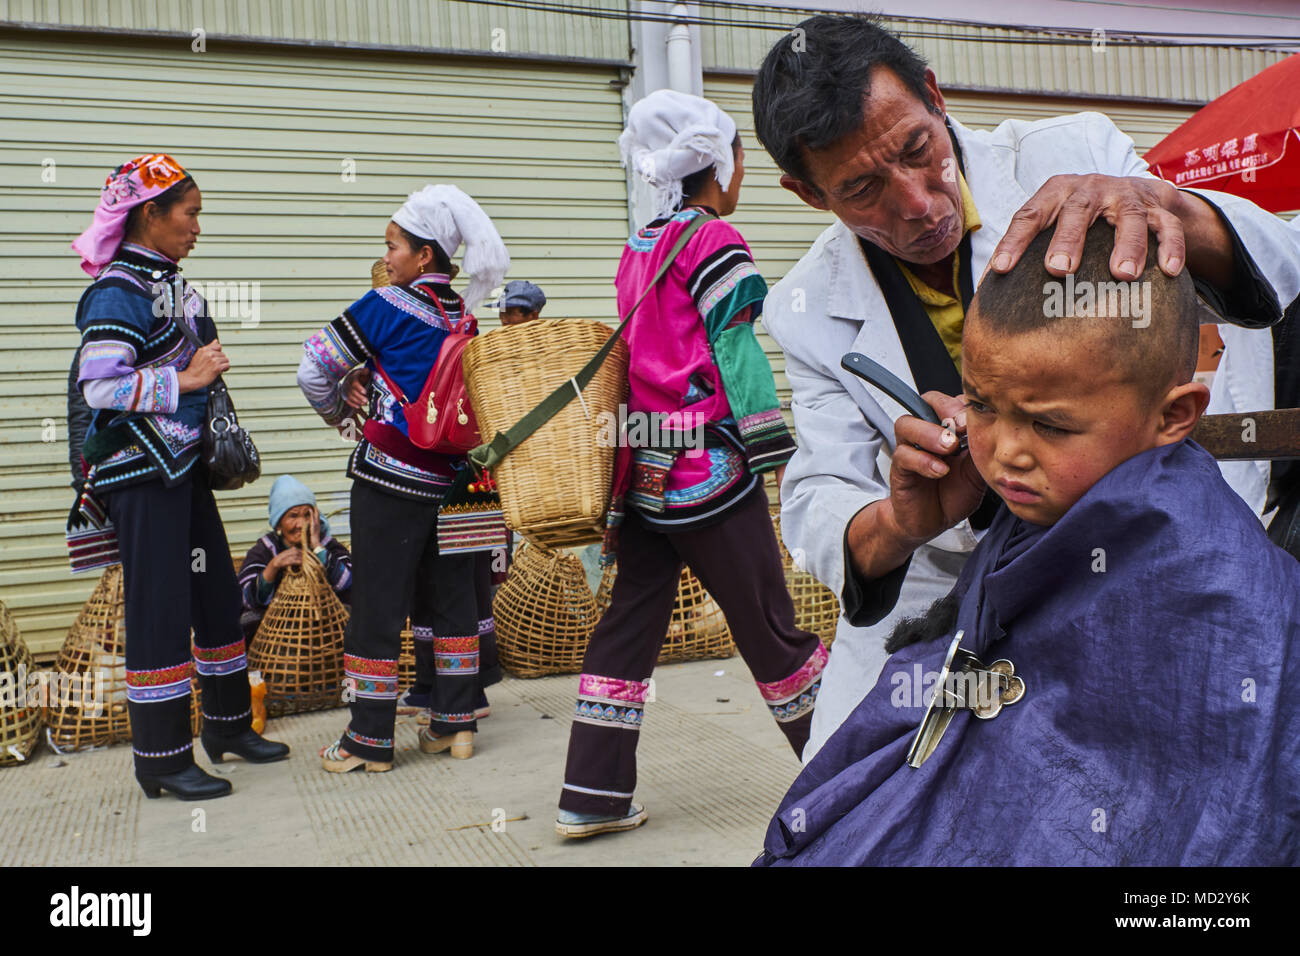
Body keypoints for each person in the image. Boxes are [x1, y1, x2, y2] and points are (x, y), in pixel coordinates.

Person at [751, 14, 1300, 761]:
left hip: (1148, 554)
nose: (915, 202)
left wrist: (1167, 210)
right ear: (808, 194)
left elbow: (1285, 261)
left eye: (919, 151)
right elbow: (819, 499)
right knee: (853, 787)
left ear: (937, 98)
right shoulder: (806, 308)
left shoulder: (1075, 153)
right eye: (862, 189)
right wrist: (900, 519)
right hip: (954, 587)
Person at [756, 220, 1300, 866]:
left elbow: (1226, 820)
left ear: (1175, 416)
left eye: (1048, 423)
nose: (1005, 455)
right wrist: (904, 523)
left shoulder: (1224, 597)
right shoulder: (1032, 524)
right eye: (981, 406)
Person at [554, 89, 824, 839]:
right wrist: (774, 447)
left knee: (628, 626)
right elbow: (735, 351)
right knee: (770, 626)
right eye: (741, 154)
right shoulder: (716, 243)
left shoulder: (638, 246)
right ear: (717, 162)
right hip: (707, 469)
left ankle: (591, 794)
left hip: (645, 468)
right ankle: (849, 773)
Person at [71, 154, 289, 801]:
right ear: (150, 214)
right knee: (160, 607)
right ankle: (162, 757)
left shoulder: (170, 284)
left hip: (180, 464)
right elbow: (102, 382)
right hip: (139, 472)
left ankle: (226, 725)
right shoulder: (119, 289)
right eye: (190, 214)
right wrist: (186, 378)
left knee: (215, 593)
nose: (197, 227)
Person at [297, 184, 509, 772]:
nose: (386, 257)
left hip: (392, 477)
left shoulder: (386, 306)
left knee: (379, 605)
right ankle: (455, 723)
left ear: (424, 256)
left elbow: (312, 366)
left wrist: (342, 411)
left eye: (393, 246)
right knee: (452, 601)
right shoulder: (462, 316)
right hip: (457, 481)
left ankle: (368, 738)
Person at [237, 474, 353, 643]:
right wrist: (274, 565)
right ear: (278, 523)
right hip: (277, 636)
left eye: (307, 515)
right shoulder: (264, 550)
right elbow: (246, 599)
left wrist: (316, 546)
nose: (301, 524)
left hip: (324, 632)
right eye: (293, 516)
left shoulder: (327, 545)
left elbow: (348, 582)